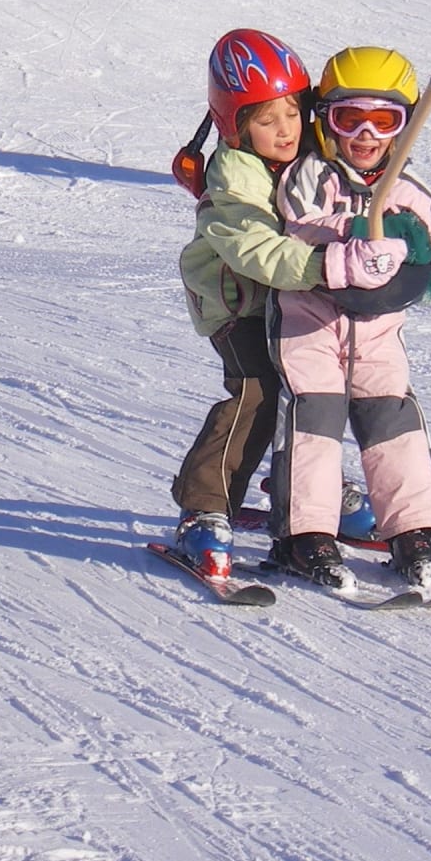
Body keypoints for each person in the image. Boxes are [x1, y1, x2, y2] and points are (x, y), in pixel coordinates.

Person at [267, 46, 431, 588]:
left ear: (405, 126)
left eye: (384, 120)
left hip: (377, 334)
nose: (366, 134)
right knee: (315, 420)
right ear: (326, 120)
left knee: (392, 418)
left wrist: (418, 262)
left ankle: (412, 530)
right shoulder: (309, 176)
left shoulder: (410, 192)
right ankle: (307, 534)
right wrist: (353, 237)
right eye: (350, 118)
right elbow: (298, 228)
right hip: (310, 322)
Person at [170, 30, 328, 581]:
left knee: (317, 390)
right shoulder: (233, 174)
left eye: (293, 112)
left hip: (289, 298)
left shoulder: (309, 156)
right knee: (257, 392)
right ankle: (204, 507)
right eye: (266, 120)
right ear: (236, 127)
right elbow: (255, 250)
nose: (285, 129)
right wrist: (330, 268)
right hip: (236, 304)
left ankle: (309, 492)